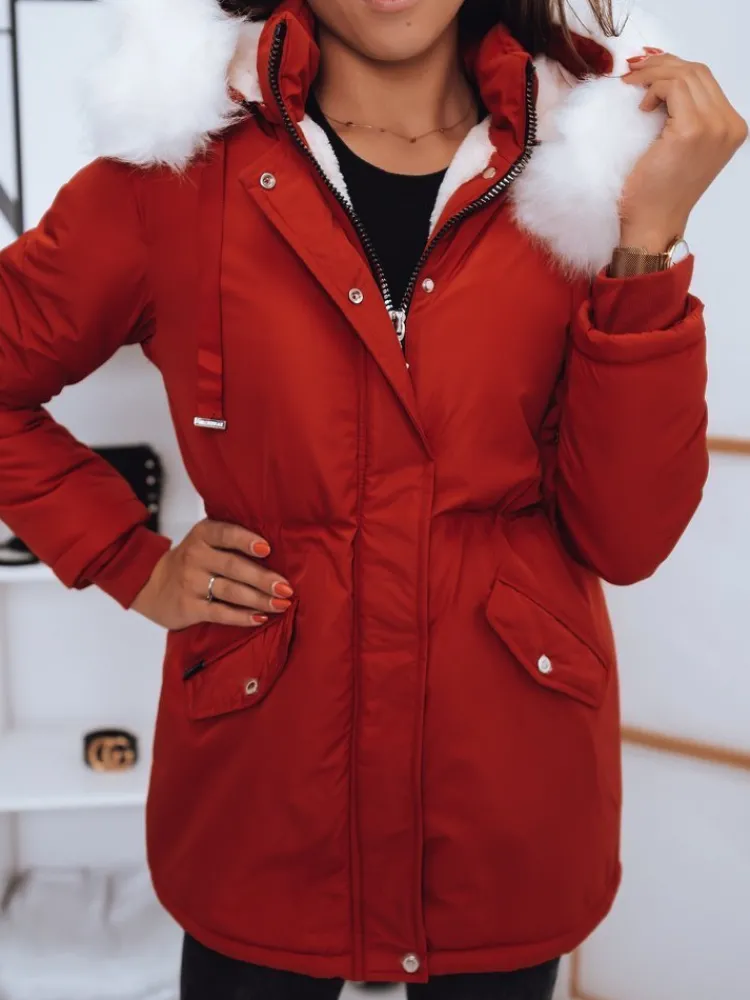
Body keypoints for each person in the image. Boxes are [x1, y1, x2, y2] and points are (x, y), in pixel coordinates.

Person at [0, 0, 745, 997]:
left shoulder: (587, 175)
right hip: (265, 788)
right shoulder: (177, 172)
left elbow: (626, 535)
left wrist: (648, 240)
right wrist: (131, 561)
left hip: (505, 793)